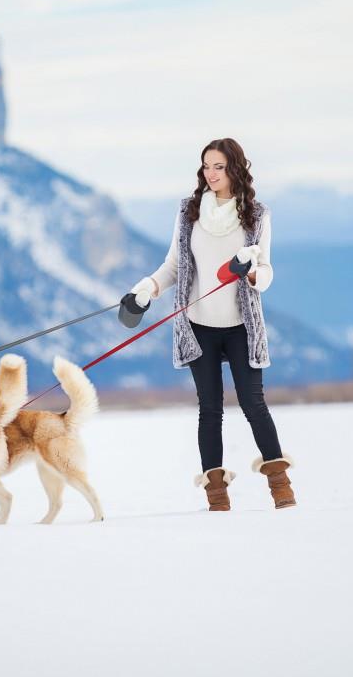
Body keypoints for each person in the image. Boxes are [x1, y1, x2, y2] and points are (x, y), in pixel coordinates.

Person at [129, 137, 295, 511]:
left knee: (254, 404)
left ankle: (280, 485)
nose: (211, 173)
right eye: (206, 166)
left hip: (241, 326)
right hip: (198, 325)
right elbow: (174, 265)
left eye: (218, 166)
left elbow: (266, 271)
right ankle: (217, 495)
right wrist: (148, 288)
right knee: (210, 408)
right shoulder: (189, 211)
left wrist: (250, 271)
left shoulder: (256, 214)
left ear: (235, 168)